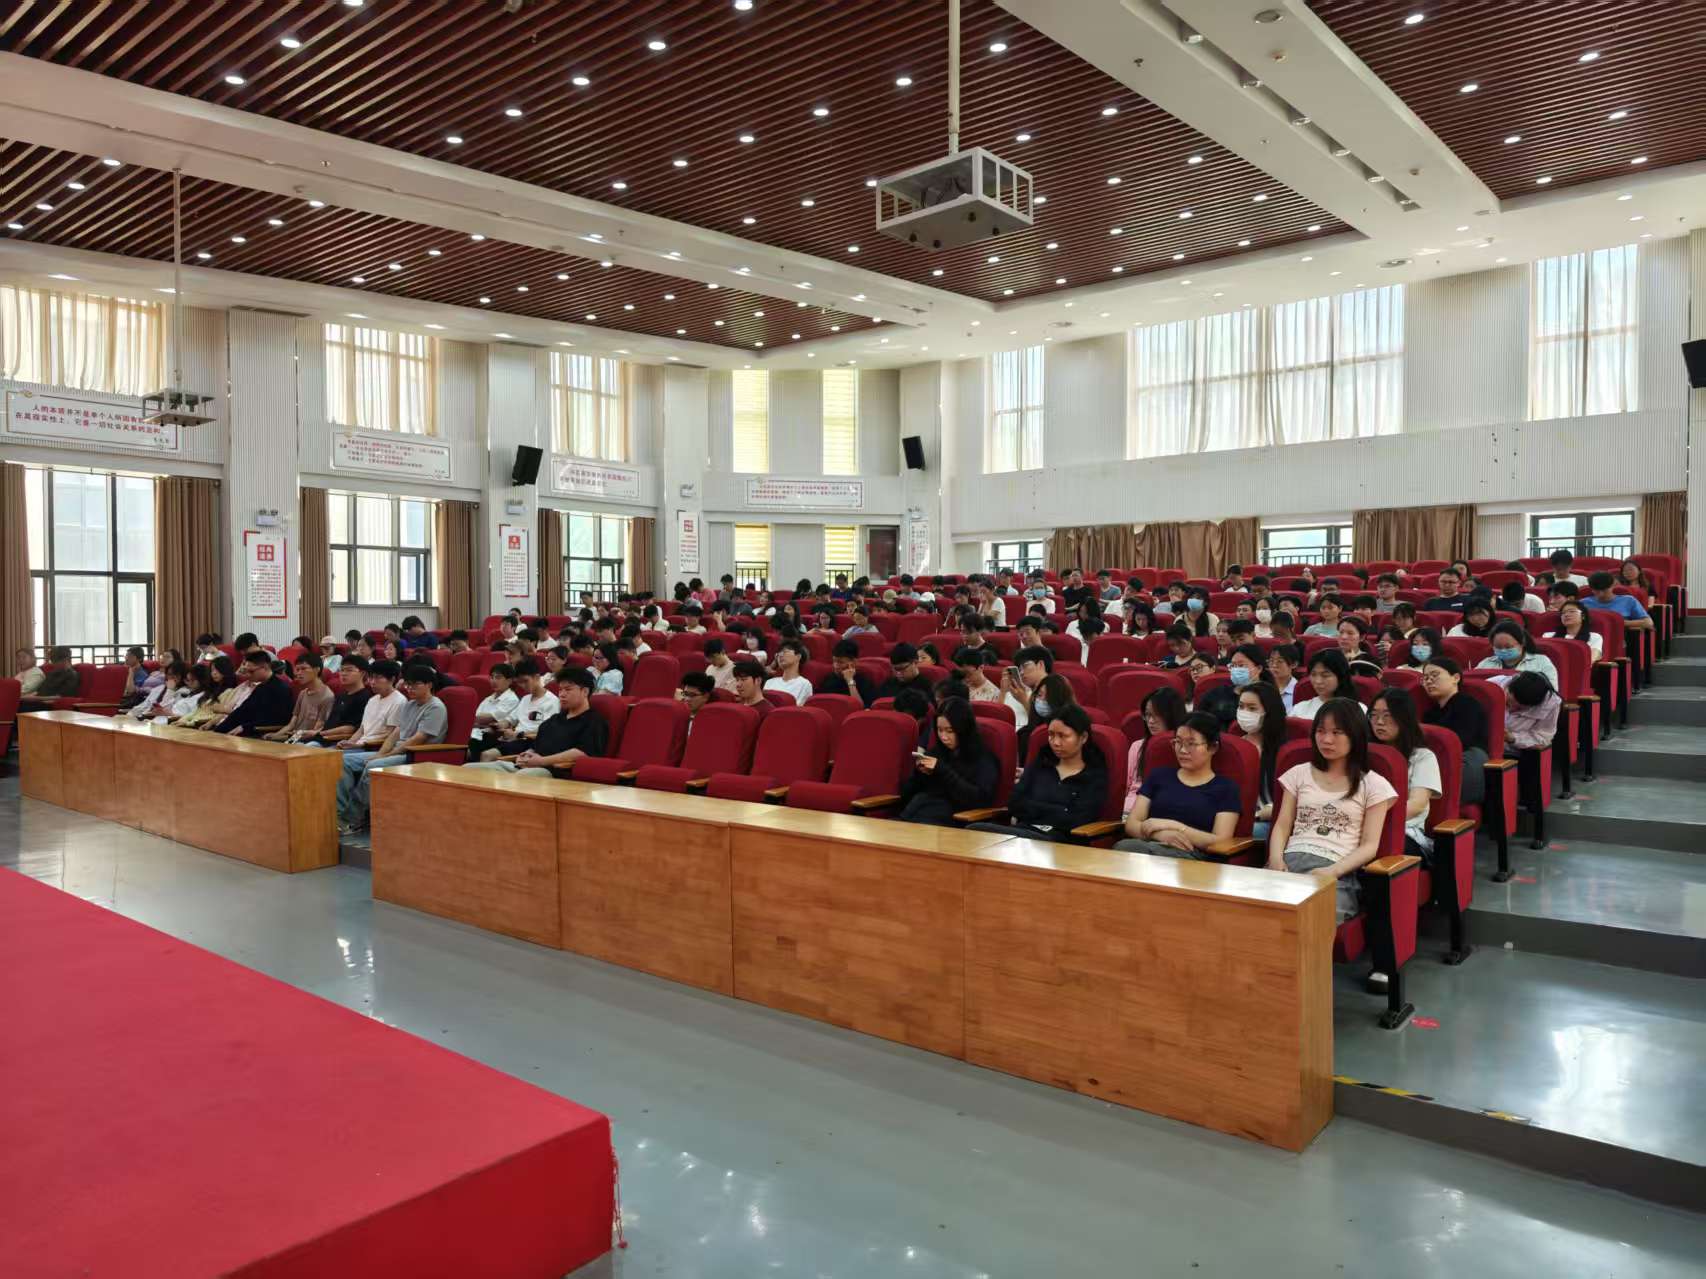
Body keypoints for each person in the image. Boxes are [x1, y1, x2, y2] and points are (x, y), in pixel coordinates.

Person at [1266, 699, 1399, 923]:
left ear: (1355, 735)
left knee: (1310, 922)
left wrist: (1332, 872)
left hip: (1337, 870)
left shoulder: (1374, 784)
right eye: (1321, 731)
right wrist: (1275, 859)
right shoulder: (1298, 773)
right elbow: (1282, 824)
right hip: (1288, 862)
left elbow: (1369, 845)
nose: (1326, 740)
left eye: (1337, 732)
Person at [967, 705, 1107, 843]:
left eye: (1063, 736)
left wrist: (1033, 808)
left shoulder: (1093, 774)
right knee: (973, 831)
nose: (1055, 742)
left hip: (1060, 842)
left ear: (1083, 737)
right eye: (1051, 735)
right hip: (1023, 833)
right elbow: (1015, 803)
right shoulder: (1041, 763)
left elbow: (1079, 819)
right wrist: (1060, 810)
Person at [1113, 712, 1242, 859]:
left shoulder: (1226, 788)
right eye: (1178, 742)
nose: (1182, 750)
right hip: (1148, 847)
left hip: (1191, 856)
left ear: (1213, 747)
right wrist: (1160, 834)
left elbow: (1222, 841)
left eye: (1191, 744)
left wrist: (1175, 826)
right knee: (1123, 847)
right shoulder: (1159, 776)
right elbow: (1132, 824)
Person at [337, 665, 448, 833]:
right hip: (396, 751)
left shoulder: (436, 707)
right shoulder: (409, 705)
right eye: (408, 684)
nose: (409, 688)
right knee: (342, 760)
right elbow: (395, 734)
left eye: (415, 684)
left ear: (429, 685)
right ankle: (339, 813)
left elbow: (417, 740)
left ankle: (353, 818)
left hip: (416, 755)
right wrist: (381, 753)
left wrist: (385, 756)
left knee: (373, 766)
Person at [469, 668, 607, 779]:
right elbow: (536, 745)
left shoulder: (593, 721)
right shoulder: (554, 720)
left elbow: (581, 753)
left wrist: (541, 761)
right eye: (560, 689)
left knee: (518, 779)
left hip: (554, 771)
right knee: (470, 770)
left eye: (568, 689)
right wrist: (527, 754)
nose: (562, 694)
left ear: (585, 691)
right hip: (528, 766)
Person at [896, 696, 1001, 826]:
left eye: (950, 731)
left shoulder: (983, 758)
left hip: (949, 822)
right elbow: (906, 794)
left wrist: (943, 771)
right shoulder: (936, 752)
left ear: (963, 729)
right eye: (940, 730)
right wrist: (919, 773)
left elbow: (979, 800)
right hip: (914, 814)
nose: (944, 737)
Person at [1368, 687, 1442, 865]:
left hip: (1404, 830)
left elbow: (1417, 805)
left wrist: (1372, 820)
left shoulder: (1422, 757)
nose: (1379, 722)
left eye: (1387, 715)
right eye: (1374, 715)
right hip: (1361, 826)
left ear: (1404, 718)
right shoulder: (1366, 753)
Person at [1420, 657, 1487, 804]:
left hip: (1468, 757)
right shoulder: (1430, 714)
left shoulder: (1469, 704)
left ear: (1455, 678)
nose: (1429, 681)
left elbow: (1464, 740)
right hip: (1438, 760)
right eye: (1425, 678)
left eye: (1434, 675)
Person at [1236, 680, 1287, 839]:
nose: (1244, 712)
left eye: (1252, 708)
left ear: (1269, 712)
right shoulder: (1234, 745)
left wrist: (1268, 811)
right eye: (1241, 706)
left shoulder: (1284, 751)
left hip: (1268, 819)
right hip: (1234, 816)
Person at [212, 653, 296, 737]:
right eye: (246, 671)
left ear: (265, 667)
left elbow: (278, 719)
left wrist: (245, 727)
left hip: (264, 733)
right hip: (250, 729)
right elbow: (242, 711)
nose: (248, 675)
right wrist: (218, 730)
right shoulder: (260, 687)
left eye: (251, 671)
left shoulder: (281, 689)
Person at [265, 654, 335, 742]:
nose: (299, 673)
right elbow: (291, 724)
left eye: (303, 669)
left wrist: (280, 738)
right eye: (297, 670)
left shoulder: (327, 697)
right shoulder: (303, 693)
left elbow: (314, 732)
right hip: (293, 738)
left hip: (307, 742)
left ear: (317, 670)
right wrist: (276, 735)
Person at [1478, 620, 1559, 687]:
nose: (1503, 650)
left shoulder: (1541, 662)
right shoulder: (1486, 663)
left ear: (1522, 643)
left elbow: (1551, 692)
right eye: (1498, 647)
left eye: (1508, 647)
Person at [466, 662, 520, 758]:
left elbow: (488, 718)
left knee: (461, 750)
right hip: (474, 734)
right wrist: (476, 721)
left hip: (489, 738)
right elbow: (475, 719)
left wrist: (474, 721)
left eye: (498, 677)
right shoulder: (488, 699)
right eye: (492, 677)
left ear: (509, 681)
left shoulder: (512, 699)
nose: (493, 681)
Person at [1290, 649, 1360, 722]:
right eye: (1313, 674)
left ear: (1341, 676)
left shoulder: (1357, 710)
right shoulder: (1299, 709)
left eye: (1325, 675)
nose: (1318, 681)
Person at [1581, 571, 1653, 632]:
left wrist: (1618, 622)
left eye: (1605, 590)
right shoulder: (1583, 603)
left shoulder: (1628, 600)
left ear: (1613, 585)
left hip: (1620, 637)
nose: (1601, 594)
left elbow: (1648, 622)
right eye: (1596, 591)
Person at [763, 639, 813, 705]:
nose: (780, 655)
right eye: (779, 653)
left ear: (798, 657)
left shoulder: (804, 684)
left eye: (785, 652)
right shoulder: (769, 682)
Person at [731, 659, 774, 725]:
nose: (738, 685)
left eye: (743, 679)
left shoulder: (767, 712)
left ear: (758, 680)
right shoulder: (736, 706)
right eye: (737, 680)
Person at [1264, 643, 1302, 712]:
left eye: (1280, 661)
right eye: (1271, 661)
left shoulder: (1299, 691)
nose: (1274, 665)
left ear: (1294, 664)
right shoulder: (1264, 687)